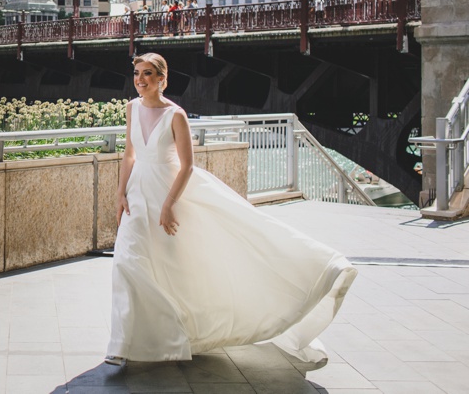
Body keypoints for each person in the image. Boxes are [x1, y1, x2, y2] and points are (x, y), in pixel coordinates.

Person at [106, 53, 356, 366]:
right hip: (136, 193)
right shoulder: (132, 108)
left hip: (166, 193)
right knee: (128, 263)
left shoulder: (176, 116)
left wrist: (169, 204)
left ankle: (172, 334)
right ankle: (123, 343)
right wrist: (120, 192)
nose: (140, 81)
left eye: (147, 75)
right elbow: (129, 153)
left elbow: (187, 166)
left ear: (162, 79)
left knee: (169, 266)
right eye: (137, 74)